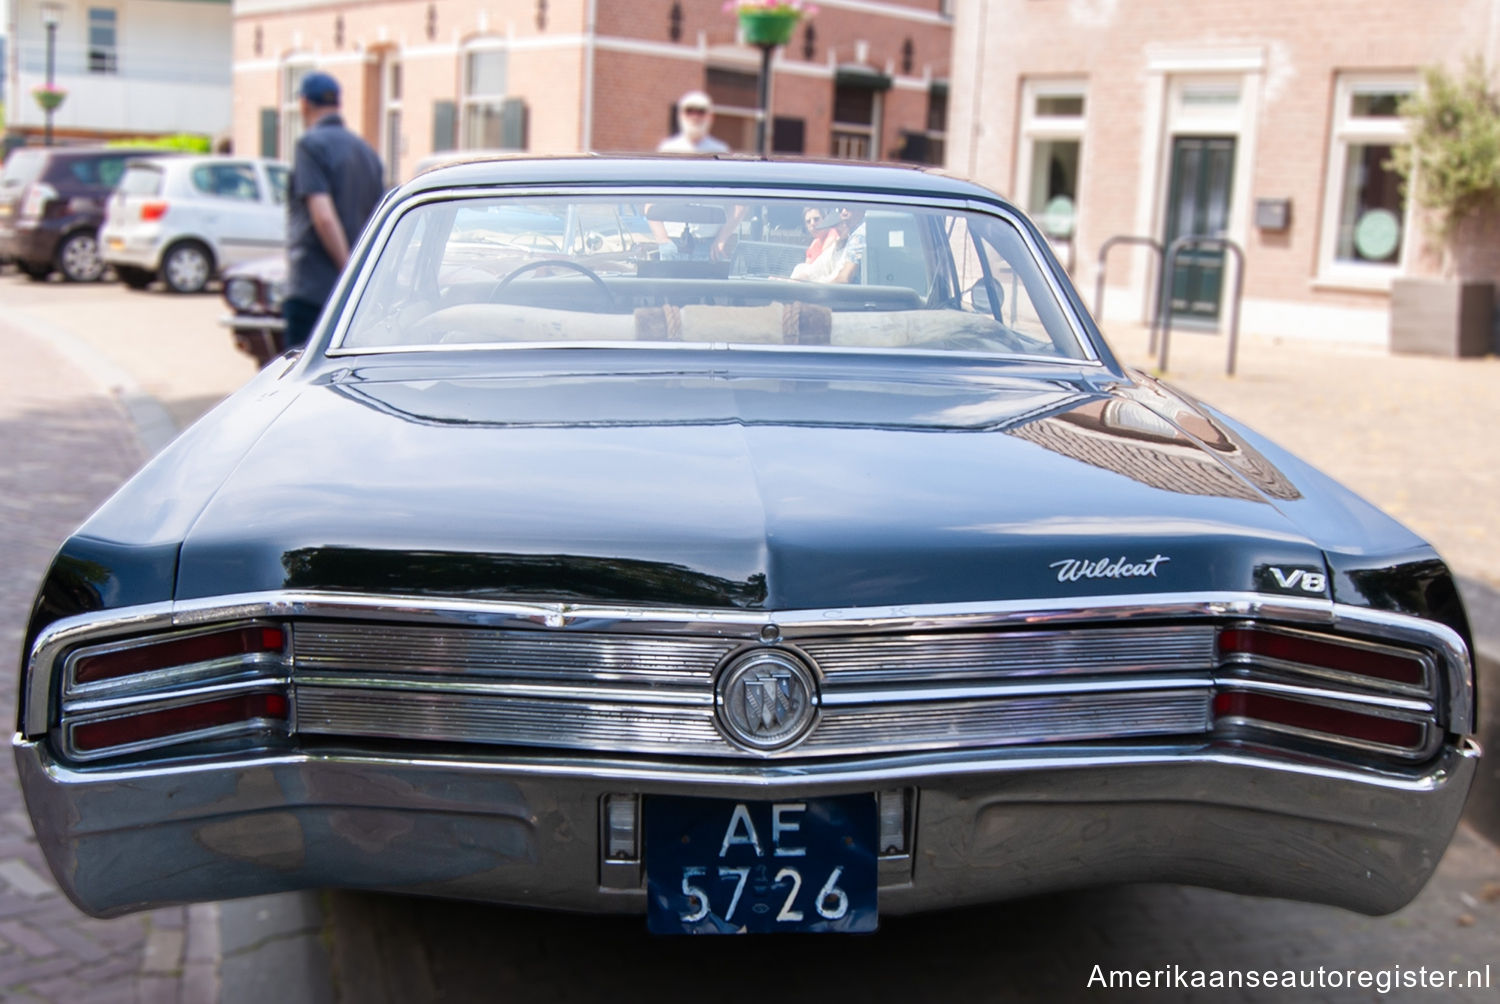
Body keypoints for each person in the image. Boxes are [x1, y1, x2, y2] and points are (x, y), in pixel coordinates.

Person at [283, 71, 385, 349]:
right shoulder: (366, 151)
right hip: (357, 300)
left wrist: (347, 271)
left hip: (315, 288)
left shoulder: (310, 146)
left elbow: (324, 216)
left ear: (304, 104)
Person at [791, 206, 867, 283]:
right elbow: (816, 268)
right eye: (835, 225)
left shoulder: (859, 236)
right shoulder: (838, 244)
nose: (838, 228)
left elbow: (843, 279)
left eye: (842, 223)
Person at [657, 91, 731, 154]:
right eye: (689, 111)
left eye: (700, 112)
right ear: (680, 116)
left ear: (711, 117)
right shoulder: (668, 149)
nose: (695, 117)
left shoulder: (720, 151)